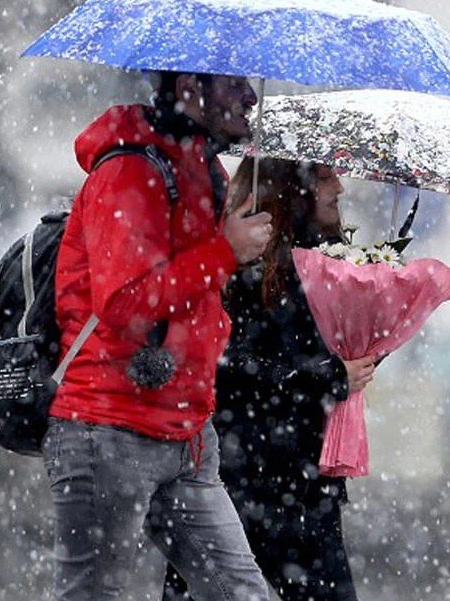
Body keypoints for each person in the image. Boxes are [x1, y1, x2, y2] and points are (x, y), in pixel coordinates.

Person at [47, 71, 274, 601]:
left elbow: (198, 290)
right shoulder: (129, 169)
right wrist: (225, 252)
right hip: (108, 428)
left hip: (188, 432)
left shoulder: (201, 166)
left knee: (242, 593)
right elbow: (124, 303)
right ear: (191, 87)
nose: (249, 96)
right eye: (232, 83)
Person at [162, 158, 381, 601]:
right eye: (323, 177)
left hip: (301, 480)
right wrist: (326, 378)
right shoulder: (240, 267)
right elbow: (227, 365)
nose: (338, 186)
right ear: (291, 189)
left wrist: (365, 351)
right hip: (240, 476)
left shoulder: (328, 264)